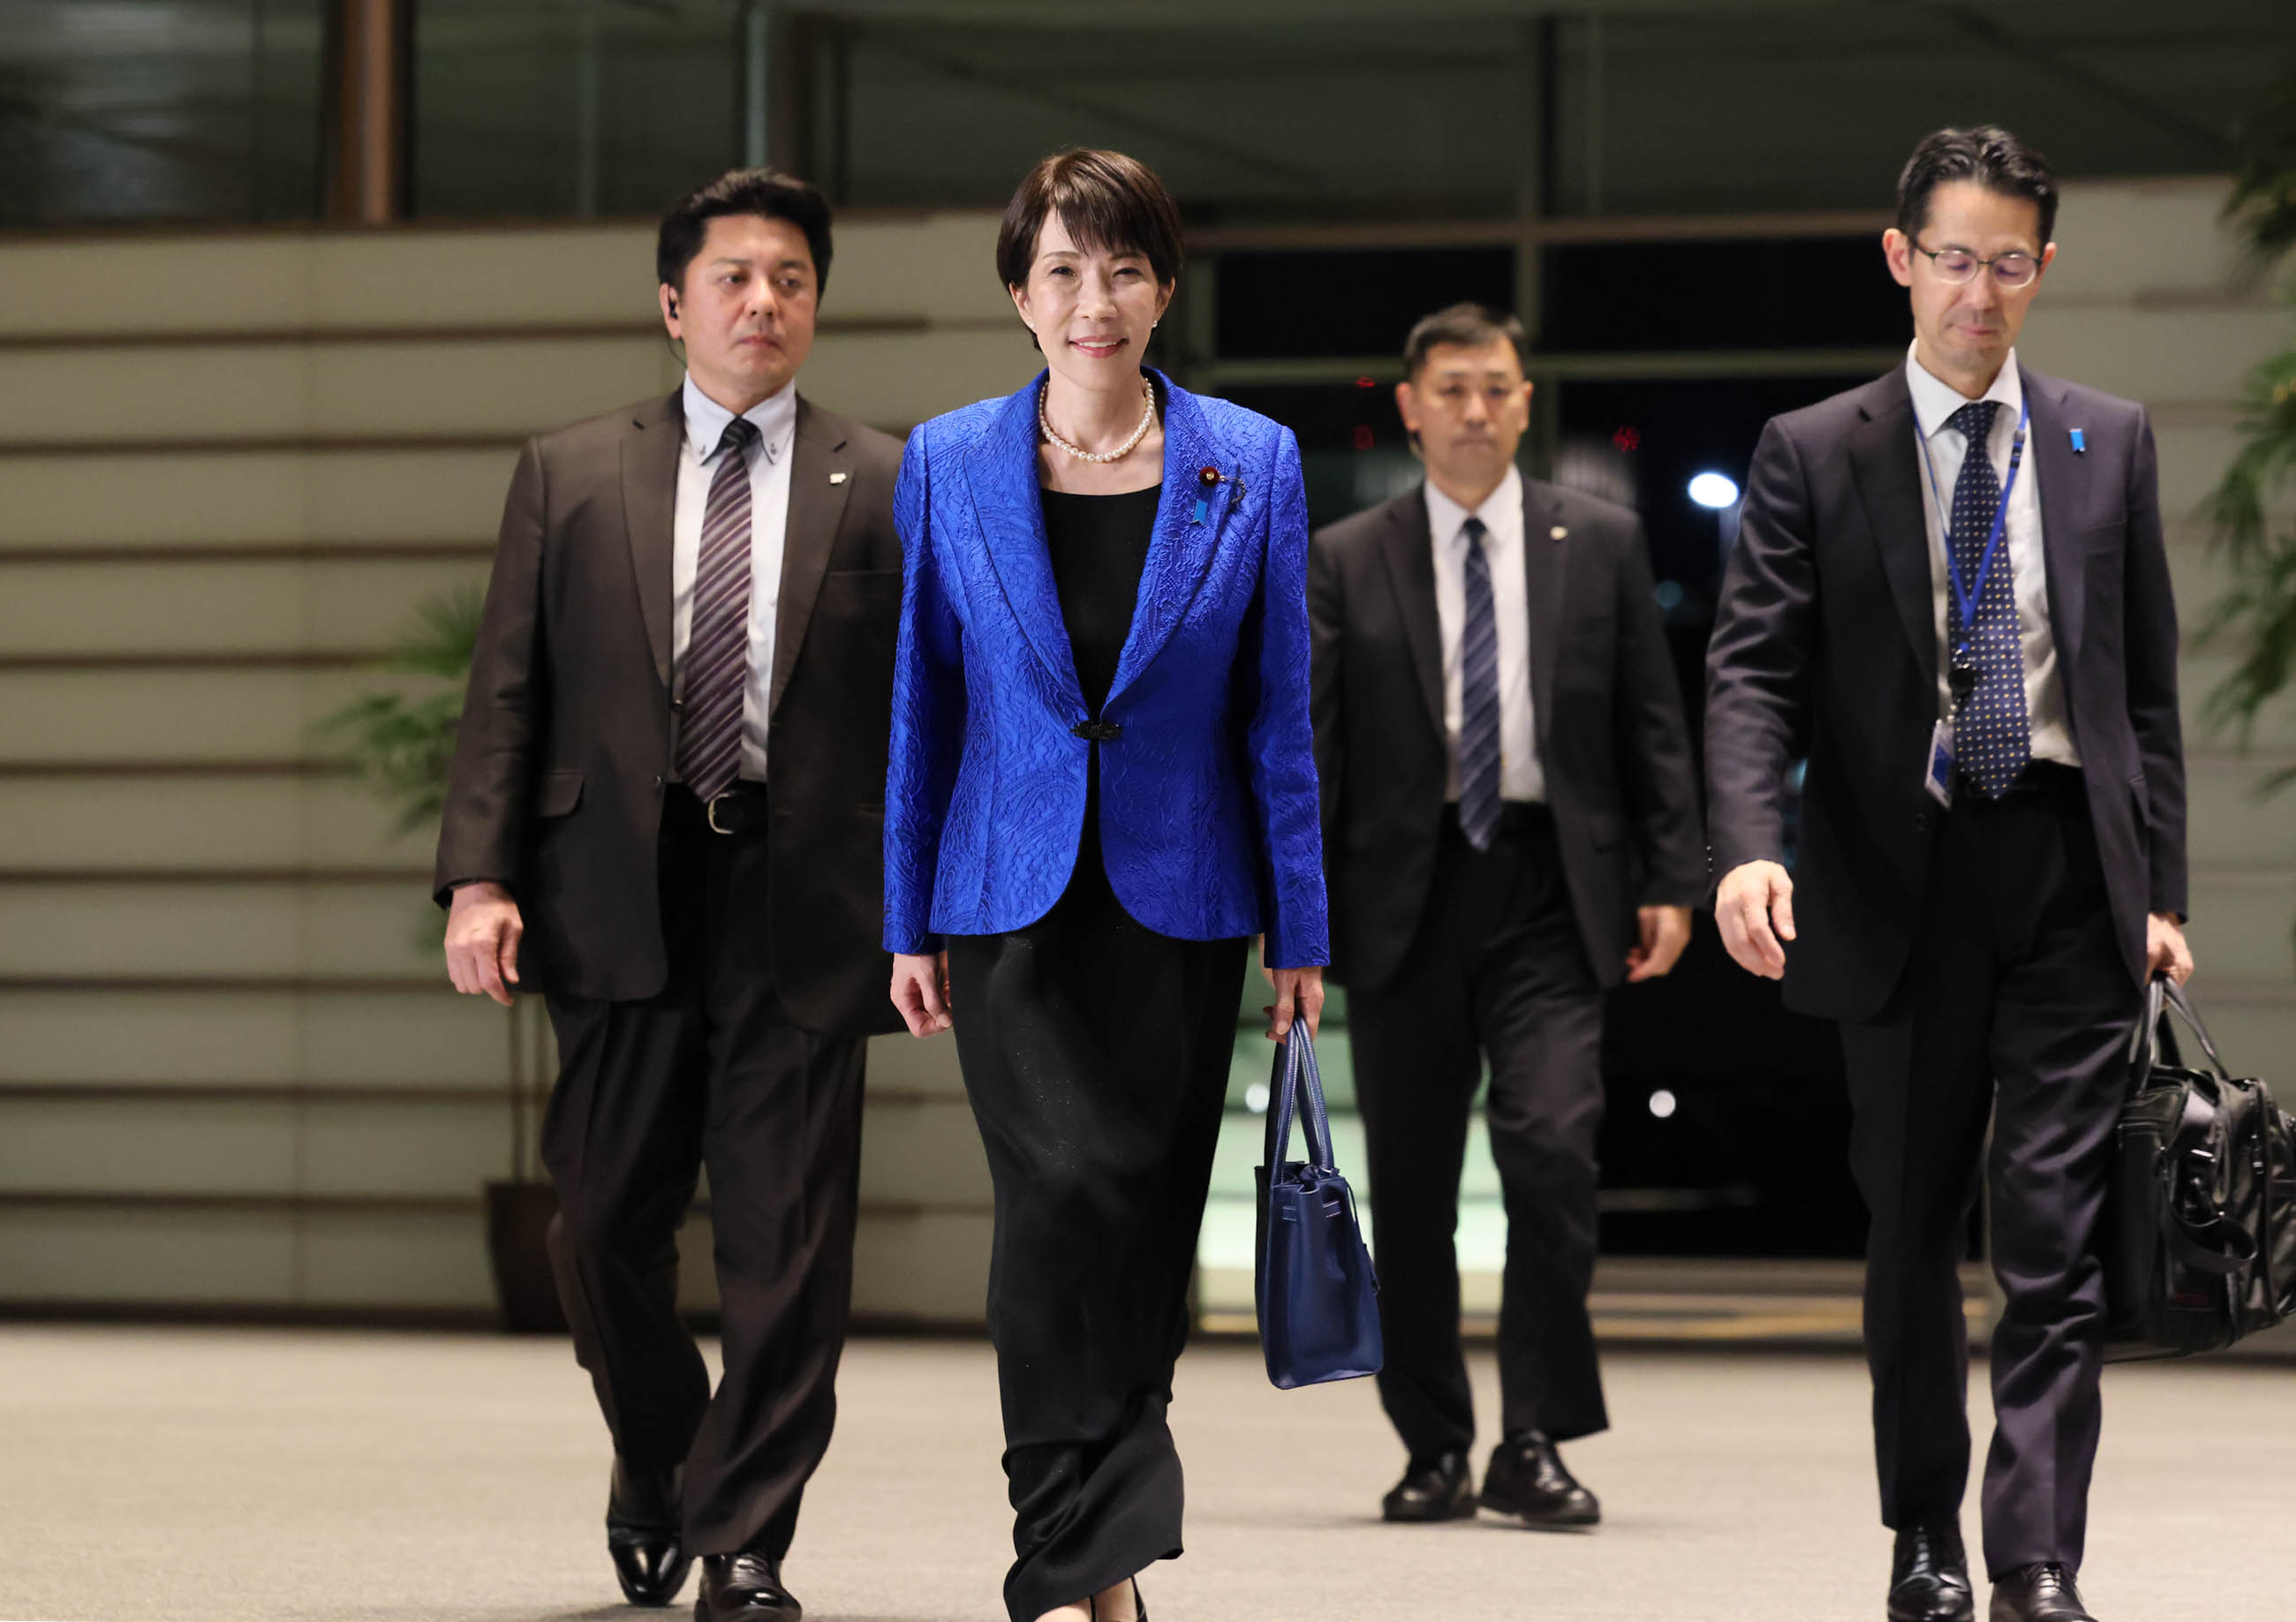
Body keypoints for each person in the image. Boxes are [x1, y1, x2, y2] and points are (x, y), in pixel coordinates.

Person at [1703, 127, 2192, 1622]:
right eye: (1955, 258)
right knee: (1912, 1231)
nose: (1981, 291)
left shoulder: (2108, 437)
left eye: (2011, 263)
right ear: (1900, 258)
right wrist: (1744, 849)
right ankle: (1926, 1538)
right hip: (1892, 885)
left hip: (2063, 878)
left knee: (2052, 1242)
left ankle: (2038, 1554)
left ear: (2043, 270)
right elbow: (1751, 678)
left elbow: (2146, 694)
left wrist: (2158, 889)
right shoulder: (1815, 449)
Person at [434, 169, 904, 1621]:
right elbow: (508, 688)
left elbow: (922, 717)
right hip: (615, 892)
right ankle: (662, 1455)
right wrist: (479, 874)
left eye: (791, 279)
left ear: (815, 303)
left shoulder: (891, 479)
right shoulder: (570, 471)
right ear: (672, 303)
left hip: (805, 895)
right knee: (595, 1226)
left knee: (788, 1241)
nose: (764, 302)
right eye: (734, 278)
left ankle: (748, 1539)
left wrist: (929, 908)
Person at [881, 147, 1327, 1622]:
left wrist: (1300, 929)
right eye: (1063, 270)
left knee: (1140, 1216)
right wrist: (901, 917)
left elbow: (1279, 713)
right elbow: (921, 710)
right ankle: (1073, 1548)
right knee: (1058, 1195)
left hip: (1183, 894)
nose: (1095, 299)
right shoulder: (944, 462)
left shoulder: (1249, 461)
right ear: (1021, 294)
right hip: (1003, 894)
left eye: (1123, 267)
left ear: (1163, 286)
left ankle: (1103, 1553)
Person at [1308, 303, 1704, 1529]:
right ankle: (1433, 1439)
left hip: (1550, 886)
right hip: (1401, 895)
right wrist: (1297, 921)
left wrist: (1671, 876)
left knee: (1549, 1151)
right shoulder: (1345, 554)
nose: (1475, 410)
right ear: (1411, 407)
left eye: (1497, 388)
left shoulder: (1601, 538)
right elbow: (1311, 750)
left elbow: (1653, 715)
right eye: (1452, 390)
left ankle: (1531, 1435)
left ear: (1527, 402)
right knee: (1413, 1188)